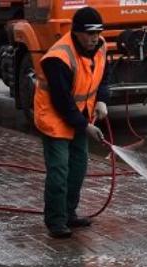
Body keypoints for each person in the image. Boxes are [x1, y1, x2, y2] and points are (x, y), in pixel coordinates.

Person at [34, 6, 109, 239]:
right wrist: (86, 126)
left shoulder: (100, 46)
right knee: (59, 171)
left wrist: (102, 100)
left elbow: (104, 76)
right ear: (76, 32)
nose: (95, 38)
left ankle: (69, 213)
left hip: (80, 116)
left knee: (78, 168)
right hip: (55, 118)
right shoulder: (58, 58)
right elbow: (62, 101)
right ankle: (56, 221)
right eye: (89, 33)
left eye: (97, 32)